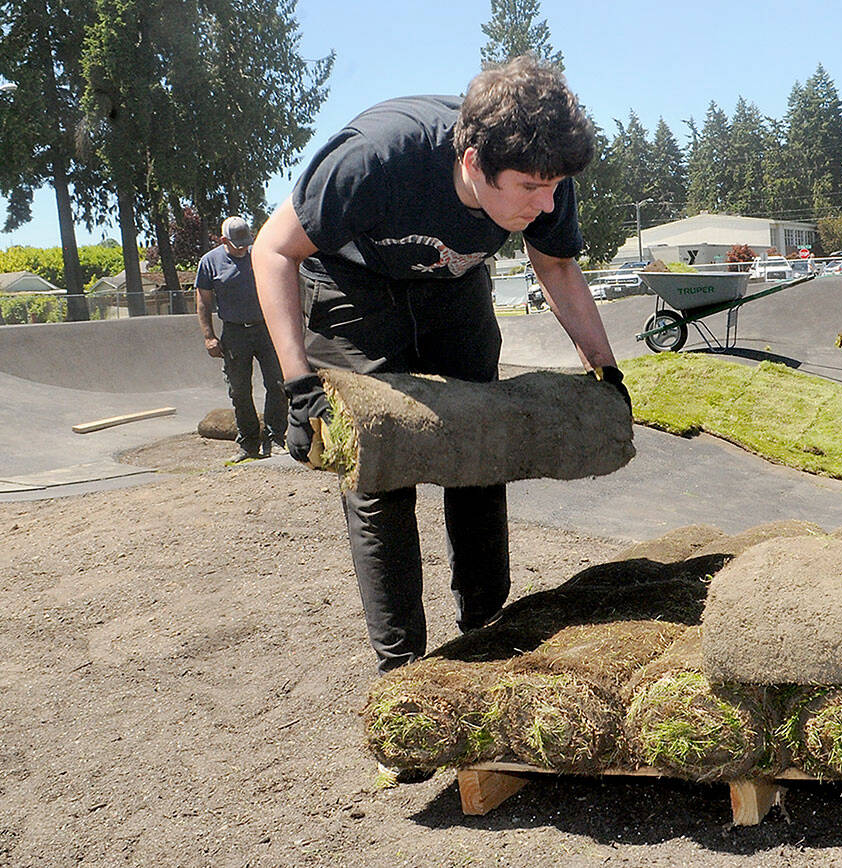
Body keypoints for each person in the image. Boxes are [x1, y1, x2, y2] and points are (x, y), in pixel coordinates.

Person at [250, 56, 627, 674]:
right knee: (381, 469)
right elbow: (272, 250)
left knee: (479, 440)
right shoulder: (375, 157)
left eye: (554, 185)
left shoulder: (543, 172)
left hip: (454, 286)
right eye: (531, 187)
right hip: (354, 287)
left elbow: (556, 267)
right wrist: (297, 384)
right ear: (475, 162)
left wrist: (606, 373)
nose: (547, 201)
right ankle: (402, 670)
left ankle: (487, 625)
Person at [195, 216, 288, 464]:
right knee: (239, 390)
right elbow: (203, 301)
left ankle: (275, 439)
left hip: (266, 329)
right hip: (234, 333)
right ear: (223, 240)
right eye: (238, 244)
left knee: (277, 384)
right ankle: (248, 444)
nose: (243, 248)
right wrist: (208, 337)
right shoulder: (209, 262)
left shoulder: (259, 255)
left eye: (247, 243)